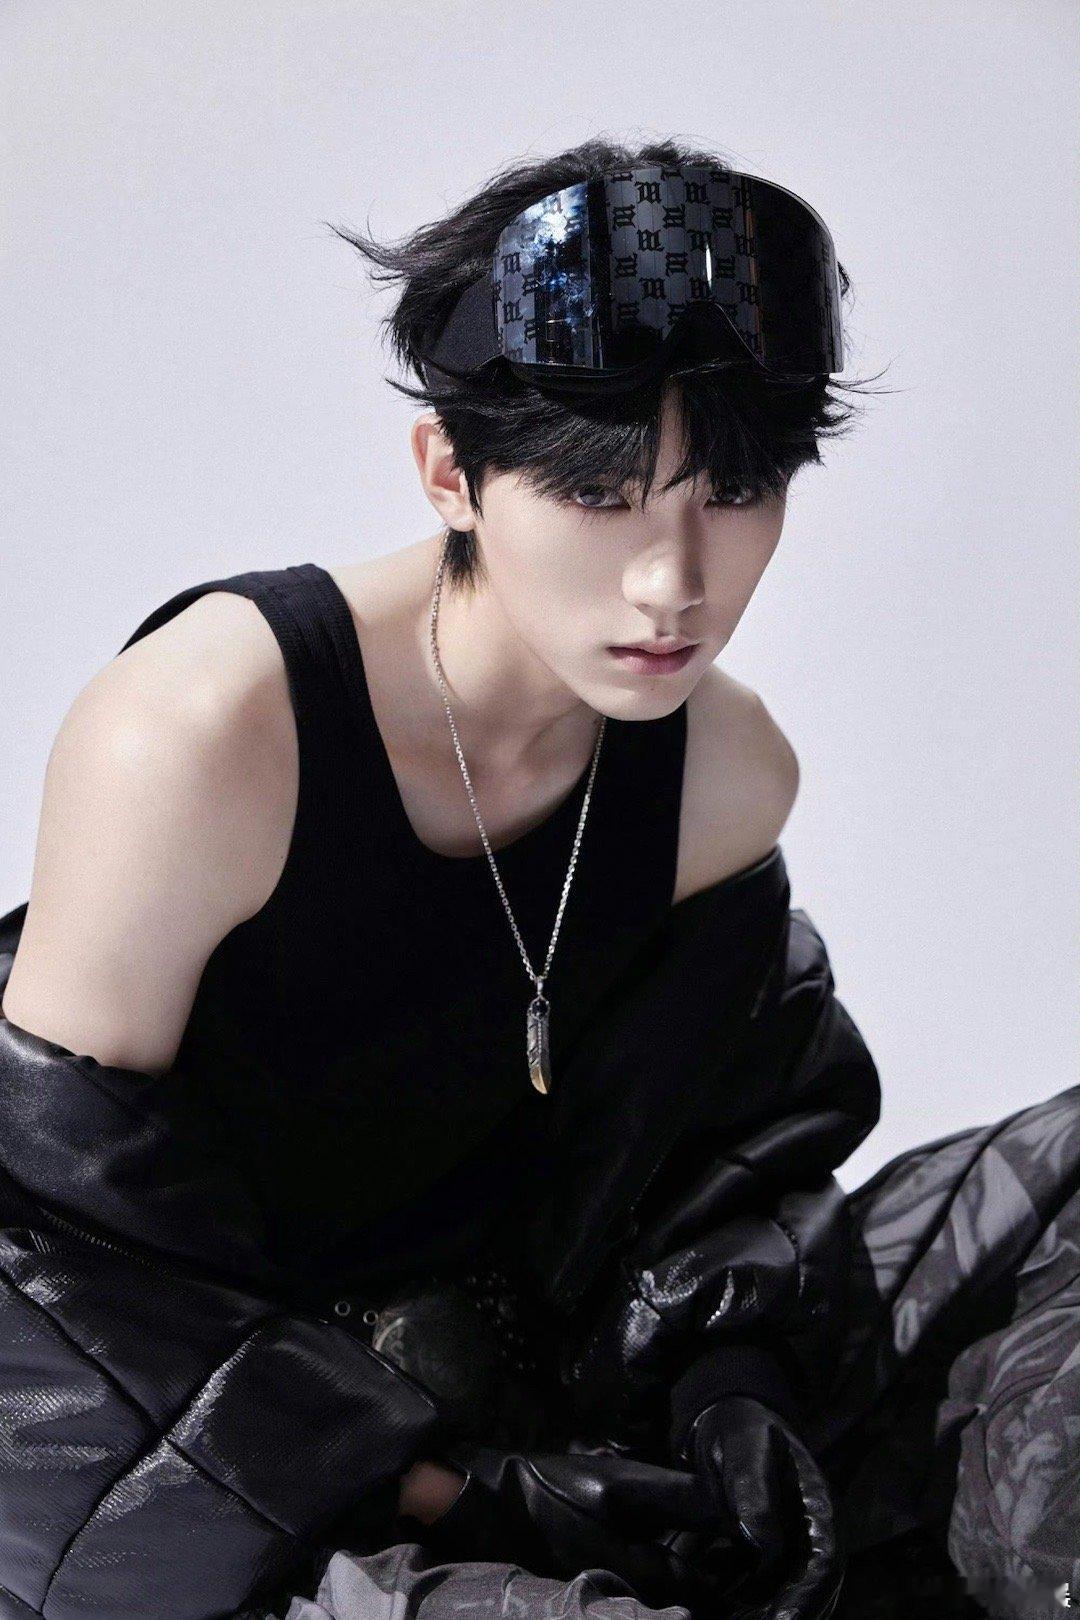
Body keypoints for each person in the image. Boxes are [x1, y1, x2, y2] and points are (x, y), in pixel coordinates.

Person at [0, 137, 1075, 1620]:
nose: (673, 581)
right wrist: (436, 1487)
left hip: (561, 1392)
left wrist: (726, 1403)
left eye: (734, 489)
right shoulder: (201, 737)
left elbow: (714, 1166)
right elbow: (44, 1273)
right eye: (600, 494)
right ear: (452, 473)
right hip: (243, 1470)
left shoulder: (722, 777)